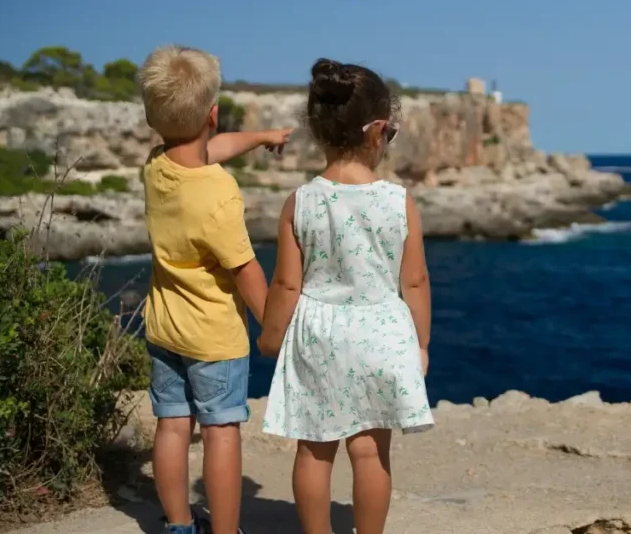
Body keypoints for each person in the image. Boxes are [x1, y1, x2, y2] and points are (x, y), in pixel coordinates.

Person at [257, 58, 435, 534]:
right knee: (370, 450)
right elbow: (414, 282)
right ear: (377, 131)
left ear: (317, 129)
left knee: (314, 450)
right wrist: (420, 345)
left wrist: (271, 336)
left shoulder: (302, 201)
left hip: (319, 334)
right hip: (380, 333)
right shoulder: (400, 202)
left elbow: (287, 284)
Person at [138, 44, 292, 534]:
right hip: (214, 339)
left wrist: (261, 137)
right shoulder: (219, 192)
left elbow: (209, 148)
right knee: (222, 431)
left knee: (171, 425)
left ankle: (180, 526)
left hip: (164, 330)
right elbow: (245, 269)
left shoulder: (155, 165)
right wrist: (275, 328)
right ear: (214, 113)